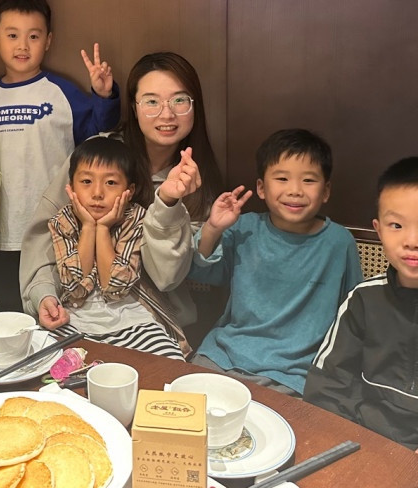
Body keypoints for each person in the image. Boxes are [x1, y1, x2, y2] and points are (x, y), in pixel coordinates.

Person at [20, 51, 223, 350]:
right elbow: (44, 232)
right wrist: (43, 295)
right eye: (151, 102)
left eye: (179, 100)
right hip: (73, 309)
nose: (167, 114)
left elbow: (167, 279)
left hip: (147, 324)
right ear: (134, 107)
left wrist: (168, 203)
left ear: (195, 106)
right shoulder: (96, 156)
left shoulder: (197, 184)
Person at [0, 0, 121, 311]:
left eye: (34, 36)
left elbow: (99, 136)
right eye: (12, 35)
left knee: (49, 313)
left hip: (52, 231)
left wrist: (103, 96)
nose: (23, 46)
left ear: (48, 40)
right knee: (5, 317)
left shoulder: (62, 93)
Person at [188, 128, 363, 395]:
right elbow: (200, 271)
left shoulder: (338, 242)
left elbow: (353, 314)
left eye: (308, 180)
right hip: (223, 355)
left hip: (294, 373)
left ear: (326, 191)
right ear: (261, 187)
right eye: (282, 178)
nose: (295, 191)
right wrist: (212, 228)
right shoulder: (244, 228)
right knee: (181, 405)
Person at [304, 157, 418, 451]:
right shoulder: (364, 299)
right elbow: (327, 387)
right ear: (379, 230)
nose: (412, 240)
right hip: (362, 440)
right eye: (397, 225)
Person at [46, 137, 183, 357]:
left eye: (110, 183)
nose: (97, 193)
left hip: (131, 317)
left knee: (169, 359)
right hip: (75, 318)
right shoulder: (62, 221)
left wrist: (102, 229)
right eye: (86, 181)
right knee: (48, 359)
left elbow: (116, 288)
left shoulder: (136, 218)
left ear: (129, 190)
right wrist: (88, 227)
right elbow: (74, 289)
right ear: (71, 187)